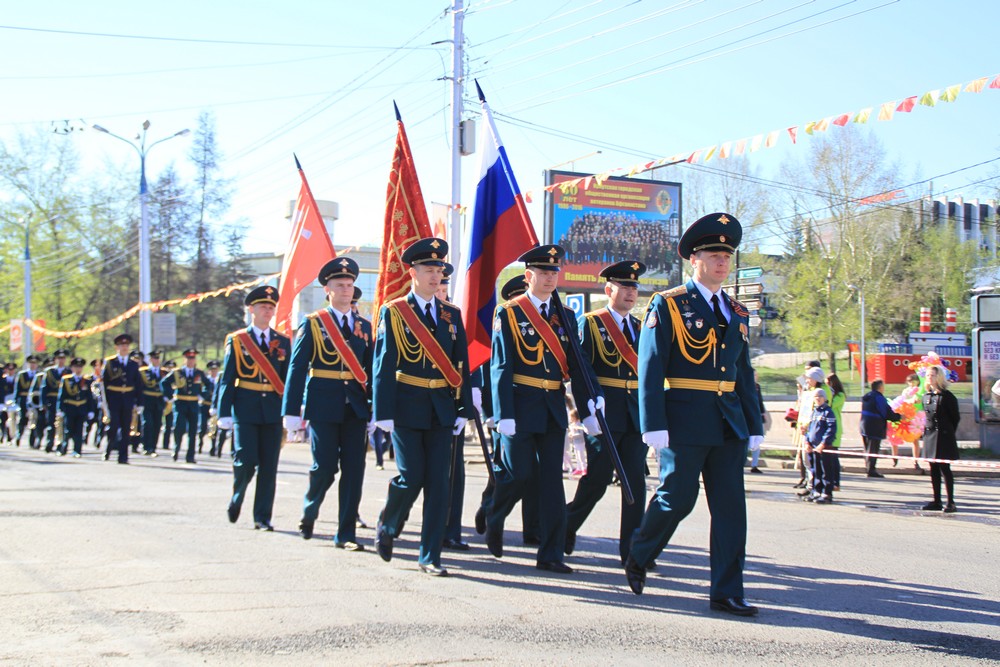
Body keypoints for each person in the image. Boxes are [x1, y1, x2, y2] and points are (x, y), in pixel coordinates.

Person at [624, 212, 764, 617]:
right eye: (713, 254)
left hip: (728, 421)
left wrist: (753, 425)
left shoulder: (737, 312)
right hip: (684, 418)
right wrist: (652, 424)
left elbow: (743, 372)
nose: (722, 262)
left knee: (730, 511)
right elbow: (650, 366)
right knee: (677, 499)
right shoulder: (668, 304)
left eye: (727, 255)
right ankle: (639, 551)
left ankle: (726, 591)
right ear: (694, 260)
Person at [486, 243, 603, 575]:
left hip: (552, 406)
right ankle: (496, 514)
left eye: (555, 272)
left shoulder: (565, 316)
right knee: (520, 474)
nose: (551, 277)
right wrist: (503, 412)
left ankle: (551, 554)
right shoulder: (509, 312)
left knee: (553, 482)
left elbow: (578, 363)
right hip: (520, 405)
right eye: (543, 272)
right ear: (528, 276)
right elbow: (501, 365)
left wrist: (591, 399)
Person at [372, 237, 474, 577]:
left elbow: (461, 363)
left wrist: (463, 409)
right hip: (406, 407)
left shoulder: (450, 314)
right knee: (411, 476)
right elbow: (384, 364)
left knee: (439, 483)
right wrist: (382, 412)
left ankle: (430, 555)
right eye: (429, 269)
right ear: (412, 272)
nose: (435, 276)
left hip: (442, 409)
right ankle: (388, 523)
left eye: (439, 270)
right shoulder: (395, 312)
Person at [283, 256, 373, 549]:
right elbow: (297, 369)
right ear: (328, 289)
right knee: (324, 467)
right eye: (340, 285)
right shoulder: (313, 324)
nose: (346, 290)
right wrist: (291, 412)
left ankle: (346, 533)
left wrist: (376, 408)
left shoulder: (364, 326)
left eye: (349, 285)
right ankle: (310, 509)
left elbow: (372, 370)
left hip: (356, 407)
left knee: (354, 469)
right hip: (323, 404)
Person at [565, 259, 648, 564]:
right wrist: (587, 409)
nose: (631, 292)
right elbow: (582, 369)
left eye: (634, 287)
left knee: (635, 483)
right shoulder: (591, 323)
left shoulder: (641, 327)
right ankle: (566, 525)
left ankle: (633, 551)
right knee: (596, 482)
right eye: (625, 286)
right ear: (609, 289)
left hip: (634, 415)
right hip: (603, 414)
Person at [217, 285, 291, 531]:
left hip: (272, 409)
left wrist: (291, 409)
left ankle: (262, 517)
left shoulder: (282, 341)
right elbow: (228, 378)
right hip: (245, 409)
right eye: (263, 307)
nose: (267, 311)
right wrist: (223, 412)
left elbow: (287, 380)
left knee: (269, 467)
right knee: (247, 460)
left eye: (271, 307)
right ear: (251, 310)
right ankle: (237, 495)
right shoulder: (238, 340)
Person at [921, 366, 960, 513]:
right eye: (928, 375)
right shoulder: (927, 396)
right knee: (933, 469)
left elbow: (955, 418)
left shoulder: (947, 397)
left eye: (932, 375)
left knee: (945, 469)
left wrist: (948, 433)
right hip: (930, 435)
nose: (929, 377)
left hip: (943, 436)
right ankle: (936, 500)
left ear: (939, 377)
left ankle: (951, 501)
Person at [162, 348, 210, 464]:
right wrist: (170, 396)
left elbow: (208, 385)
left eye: (193, 358)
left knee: (193, 431)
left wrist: (202, 396)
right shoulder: (177, 372)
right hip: (180, 403)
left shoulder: (199, 373)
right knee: (179, 427)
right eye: (189, 358)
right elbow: (164, 383)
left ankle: (190, 456)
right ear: (185, 359)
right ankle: (176, 448)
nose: (191, 361)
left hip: (193, 403)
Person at [102, 334, 142, 464]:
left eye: (126, 345)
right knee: (113, 426)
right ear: (116, 347)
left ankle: (123, 456)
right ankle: (109, 448)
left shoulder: (133, 364)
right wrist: (105, 402)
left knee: (126, 428)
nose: (124, 348)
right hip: (114, 398)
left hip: (128, 399)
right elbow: (105, 384)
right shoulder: (110, 363)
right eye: (121, 345)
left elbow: (137, 384)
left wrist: (139, 402)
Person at [56, 357, 97, 457]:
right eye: (76, 367)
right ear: (72, 368)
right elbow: (61, 396)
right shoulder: (66, 380)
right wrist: (60, 409)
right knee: (68, 430)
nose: (78, 369)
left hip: (81, 409)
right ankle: (63, 449)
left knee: (79, 430)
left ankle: (77, 450)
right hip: (70, 408)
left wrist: (91, 410)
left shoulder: (86, 380)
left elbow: (89, 397)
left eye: (80, 367)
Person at [860, 379, 901, 478]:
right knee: (873, 449)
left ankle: (868, 467)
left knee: (867, 448)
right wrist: (898, 417)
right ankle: (871, 470)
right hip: (875, 426)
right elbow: (886, 412)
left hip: (864, 425)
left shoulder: (868, 396)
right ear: (880, 387)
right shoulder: (879, 398)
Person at [793, 366, 826, 491]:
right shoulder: (808, 391)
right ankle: (810, 484)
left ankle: (814, 487)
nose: (806, 380)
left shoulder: (818, 392)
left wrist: (807, 425)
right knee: (806, 460)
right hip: (804, 428)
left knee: (812, 460)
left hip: (813, 431)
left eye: (809, 378)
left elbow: (816, 412)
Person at [33, 349, 71, 453]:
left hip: (65, 402)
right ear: (55, 359)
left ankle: (62, 444)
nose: (61, 360)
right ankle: (50, 443)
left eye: (63, 358)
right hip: (52, 400)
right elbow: (44, 388)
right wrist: (43, 403)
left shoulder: (68, 372)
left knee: (63, 424)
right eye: (59, 358)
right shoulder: (49, 372)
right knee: (51, 423)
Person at [803, 388, 837, 503]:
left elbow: (831, 429)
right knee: (815, 470)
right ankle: (816, 491)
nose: (817, 399)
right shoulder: (814, 412)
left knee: (825, 470)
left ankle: (827, 494)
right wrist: (807, 442)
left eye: (819, 396)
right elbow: (809, 429)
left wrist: (823, 443)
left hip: (824, 448)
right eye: (815, 397)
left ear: (824, 398)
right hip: (813, 447)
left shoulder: (828, 412)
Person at [139, 351, 166, 457]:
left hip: (158, 401)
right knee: (148, 423)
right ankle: (147, 446)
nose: (156, 360)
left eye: (158, 358)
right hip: (147, 400)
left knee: (157, 424)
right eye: (154, 358)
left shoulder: (163, 372)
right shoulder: (143, 372)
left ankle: (153, 447)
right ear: (150, 360)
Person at [15, 355, 42, 448]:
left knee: (35, 420)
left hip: (35, 401)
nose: (33, 365)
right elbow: (17, 390)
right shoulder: (22, 375)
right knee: (23, 420)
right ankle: (19, 436)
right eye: (31, 363)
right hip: (23, 400)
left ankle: (32, 441)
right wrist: (16, 402)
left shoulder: (39, 375)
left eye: (35, 363)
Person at [825, 373, 846, 490]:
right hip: (826, 426)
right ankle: (829, 481)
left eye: (828, 383)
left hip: (835, 427)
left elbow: (831, 405)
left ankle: (836, 482)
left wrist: (830, 393)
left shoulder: (840, 395)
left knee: (833, 456)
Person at [749, 369, 769, 473]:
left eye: (756, 375)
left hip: (757, 416)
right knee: (747, 442)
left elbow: (759, 400)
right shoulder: (745, 386)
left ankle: (754, 465)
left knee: (757, 440)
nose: (755, 377)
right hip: (748, 417)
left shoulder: (757, 386)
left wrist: (762, 412)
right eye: (754, 375)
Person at [161, 359, 177, 451]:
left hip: (172, 402)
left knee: (169, 424)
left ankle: (166, 444)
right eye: (168, 367)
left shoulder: (176, 376)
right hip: (163, 401)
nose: (170, 369)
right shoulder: (162, 375)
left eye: (172, 367)